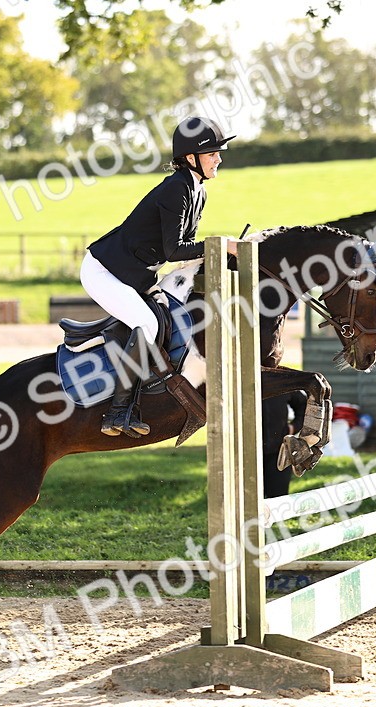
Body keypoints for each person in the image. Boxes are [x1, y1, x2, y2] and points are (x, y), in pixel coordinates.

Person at [83, 116, 240, 438]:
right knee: (149, 324)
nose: (219, 159)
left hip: (135, 275)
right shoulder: (176, 189)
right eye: (212, 153)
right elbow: (174, 251)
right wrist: (220, 244)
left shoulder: (197, 191)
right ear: (191, 157)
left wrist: (220, 254)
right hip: (105, 272)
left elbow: (188, 247)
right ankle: (117, 411)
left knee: (165, 318)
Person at [261, 391, 308, 498]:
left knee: (278, 500)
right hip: (244, 455)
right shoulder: (239, 379)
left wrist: (293, 427)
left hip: (279, 453)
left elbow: (303, 405)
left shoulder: (279, 379)